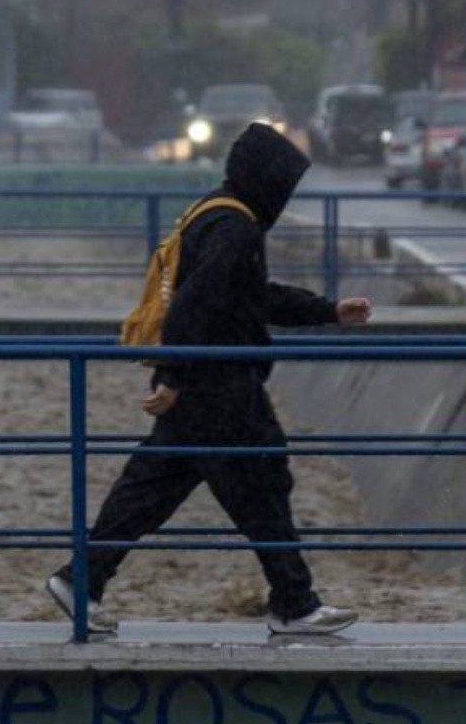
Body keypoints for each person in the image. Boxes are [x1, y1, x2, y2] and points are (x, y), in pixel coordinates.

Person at [47, 121, 372, 635]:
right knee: (261, 484)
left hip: (203, 384)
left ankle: (80, 580)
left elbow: (249, 296)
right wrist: (173, 376)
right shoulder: (236, 228)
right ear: (268, 180)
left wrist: (328, 310)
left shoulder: (214, 213)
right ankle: (293, 603)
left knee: (149, 491)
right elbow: (196, 303)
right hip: (220, 388)